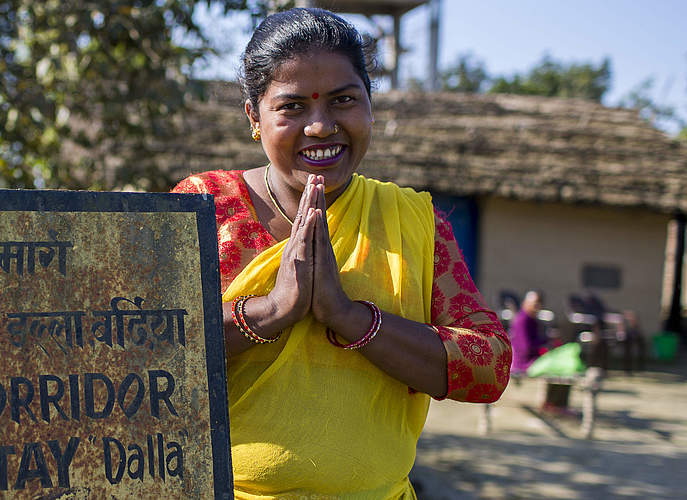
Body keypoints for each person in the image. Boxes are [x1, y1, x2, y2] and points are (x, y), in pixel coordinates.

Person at [170, 8, 511, 498]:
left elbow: (490, 366)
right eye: (292, 107)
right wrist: (268, 312)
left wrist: (351, 319)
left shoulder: (412, 221)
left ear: (370, 105)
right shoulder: (206, 208)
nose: (321, 126)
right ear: (253, 116)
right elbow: (137, 351)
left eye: (343, 100)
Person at [509, 290, 548, 375]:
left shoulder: (531, 321)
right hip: (523, 365)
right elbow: (525, 348)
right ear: (525, 304)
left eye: (539, 304)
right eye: (535, 304)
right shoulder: (522, 321)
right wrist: (544, 347)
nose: (538, 307)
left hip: (530, 361)